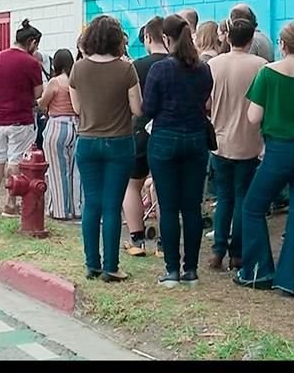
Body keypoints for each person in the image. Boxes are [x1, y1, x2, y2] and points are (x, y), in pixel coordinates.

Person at [233, 20, 294, 297]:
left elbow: (254, 117)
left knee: (253, 207)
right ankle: (293, 280)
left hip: (279, 150)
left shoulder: (267, 73)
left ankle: (259, 271)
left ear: (282, 44)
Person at [69, 15, 142, 283]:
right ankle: (111, 267)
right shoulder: (126, 70)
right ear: (117, 40)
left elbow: (77, 109)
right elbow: (137, 108)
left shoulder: (78, 69)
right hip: (119, 141)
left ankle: (92, 264)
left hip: (87, 141)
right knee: (112, 205)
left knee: (92, 204)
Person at [143, 14, 214, 288]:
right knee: (192, 207)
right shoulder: (203, 69)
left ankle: (172, 270)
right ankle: (191, 270)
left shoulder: (159, 70)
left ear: (165, 38)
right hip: (196, 138)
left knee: (169, 207)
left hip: (164, 139)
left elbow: (149, 108)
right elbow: (205, 100)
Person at [206, 18, 265, 272]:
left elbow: (207, 103)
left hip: (220, 140)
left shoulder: (213, 65)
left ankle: (218, 248)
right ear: (252, 39)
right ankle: (237, 253)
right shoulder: (261, 66)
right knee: (242, 197)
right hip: (249, 141)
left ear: (227, 38)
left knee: (224, 197)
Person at [0, 20, 44, 217]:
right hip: (20, 118)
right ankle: (11, 201)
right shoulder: (31, 62)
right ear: (32, 42)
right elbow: (38, 93)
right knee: (15, 159)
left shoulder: (0, 57)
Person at [123, 17, 167, 258]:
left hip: (139, 130)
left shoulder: (136, 66)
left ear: (148, 37)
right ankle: (163, 243)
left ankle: (137, 240)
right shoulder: (177, 63)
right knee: (162, 186)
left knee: (132, 184)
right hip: (167, 132)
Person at [38, 48, 81, 220]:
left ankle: (60, 210)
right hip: (76, 126)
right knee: (75, 171)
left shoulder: (55, 82)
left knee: (57, 171)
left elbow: (43, 103)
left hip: (57, 126)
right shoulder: (75, 80)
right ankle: (77, 208)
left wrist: (38, 101)